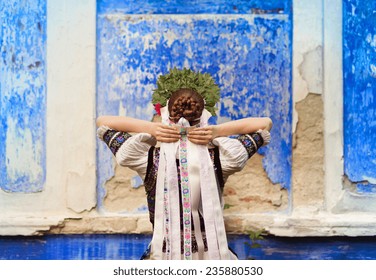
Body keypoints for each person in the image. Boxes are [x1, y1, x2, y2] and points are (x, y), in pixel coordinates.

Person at [96, 68, 272, 260]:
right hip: (212, 257)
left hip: (163, 258)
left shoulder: (145, 158)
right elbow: (265, 123)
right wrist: (217, 131)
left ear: (166, 117)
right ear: (203, 117)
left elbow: (102, 122)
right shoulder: (222, 157)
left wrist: (151, 128)